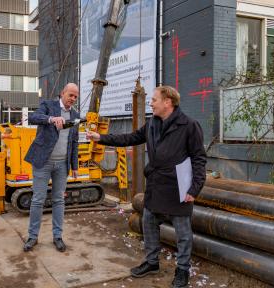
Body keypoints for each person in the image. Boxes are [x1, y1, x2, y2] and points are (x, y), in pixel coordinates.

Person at [87, 86, 206, 288]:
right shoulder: (152, 124)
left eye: (154, 99)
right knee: (149, 223)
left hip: (178, 187)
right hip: (156, 184)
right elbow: (131, 138)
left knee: (182, 233)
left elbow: (199, 159)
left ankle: (183, 270)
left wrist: (194, 189)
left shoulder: (189, 125)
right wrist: (101, 138)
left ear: (167, 102)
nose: (150, 103)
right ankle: (152, 262)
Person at [22, 83, 80, 253]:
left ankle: (57, 236)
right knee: (38, 199)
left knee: (59, 200)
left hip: (62, 164)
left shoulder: (75, 115)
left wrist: (74, 166)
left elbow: (74, 141)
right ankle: (32, 237)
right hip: (43, 161)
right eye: (70, 95)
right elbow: (33, 118)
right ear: (62, 93)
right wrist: (51, 119)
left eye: (75, 97)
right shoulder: (48, 105)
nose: (73, 99)